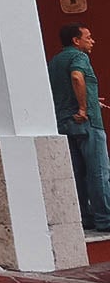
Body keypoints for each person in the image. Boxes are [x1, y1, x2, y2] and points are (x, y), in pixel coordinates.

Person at [47, 23, 110, 231]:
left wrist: (91, 99)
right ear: (76, 40)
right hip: (86, 122)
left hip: (64, 121)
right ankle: (105, 219)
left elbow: (64, 86)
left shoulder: (55, 61)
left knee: (78, 173)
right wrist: (84, 108)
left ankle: (84, 217)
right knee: (99, 171)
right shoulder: (79, 57)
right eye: (88, 37)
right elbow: (76, 77)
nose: (92, 41)